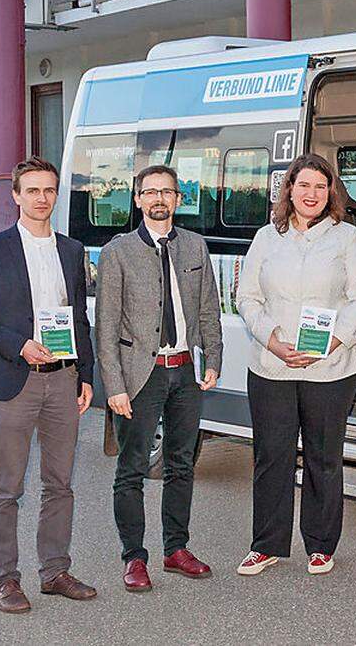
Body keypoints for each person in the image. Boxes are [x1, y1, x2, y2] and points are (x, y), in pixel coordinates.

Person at [0, 157, 96, 613]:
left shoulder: (72, 250)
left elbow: (79, 317)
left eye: (49, 190)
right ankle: (7, 579)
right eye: (32, 190)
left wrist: (86, 375)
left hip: (62, 380)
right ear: (16, 195)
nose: (42, 198)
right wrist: (19, 345)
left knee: (60, 484)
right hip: (13, 380)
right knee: (7, 488)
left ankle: (54, 571)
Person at [235, 153, 356, 577]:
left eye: (320, 186)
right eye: (303, 185)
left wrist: (330, 343)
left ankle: (321, 544)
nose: (311, 194)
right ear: (288, 190)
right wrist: (271, 340)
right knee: (271, 456)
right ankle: (266, 544)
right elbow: (247, 297)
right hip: (272, 366)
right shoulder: (265, 238)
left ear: (330, 191)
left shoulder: (347, 237)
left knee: (323, 456)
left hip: (330, 368)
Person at [95, 164, 224, 592]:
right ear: (137, 200)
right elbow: (106, 326)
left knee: (181, 465)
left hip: (185, 370)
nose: (158, 200)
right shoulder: (118, 252)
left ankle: (176, 549)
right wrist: (113, 386)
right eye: (150, 193)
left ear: (178, 199)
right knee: (131, 470)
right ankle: (134, 557)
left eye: (166, 192)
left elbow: (208, 309)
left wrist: (214, 358)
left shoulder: (195, 246)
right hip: (139, 376)